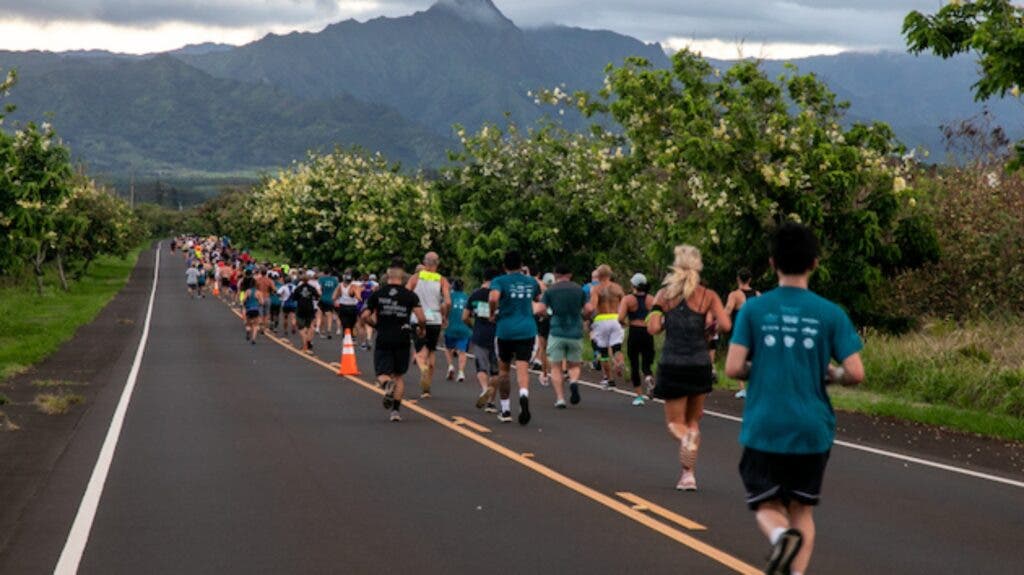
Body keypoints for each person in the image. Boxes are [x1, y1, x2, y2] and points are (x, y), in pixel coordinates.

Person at [725, 223, 864, 575]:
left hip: (765, 424)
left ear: (772, 263)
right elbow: (856, 372)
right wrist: (831, 374)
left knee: (766, 503)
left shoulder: (756, 311)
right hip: (812, 427)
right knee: (803, 510)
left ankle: (779, 536)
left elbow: (733, 367)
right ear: (814, 263)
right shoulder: (831, 313)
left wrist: (759, 367)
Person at [647, 245, 731, 492]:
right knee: (693, 421)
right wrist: (710, 325)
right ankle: (688, 476)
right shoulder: (708, 295)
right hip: (700, 364)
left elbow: (653, 329)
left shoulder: (664, 295)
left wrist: (659, 314)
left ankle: (686, 443)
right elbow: (725, 325)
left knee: (676, 423)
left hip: (673, 363)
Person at [361, 261, 427, 423]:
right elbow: (421, 318)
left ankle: (386, 385)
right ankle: (395, 411)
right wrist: (421, 329)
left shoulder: (378, 294)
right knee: (399, 375)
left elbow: (364, 315)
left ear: (388, 276)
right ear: (402, 277)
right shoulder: (410, 295)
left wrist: (375, 325)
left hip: (384, 336)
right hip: (403, 337)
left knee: (382, 374)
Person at [489, 251, 544, 425]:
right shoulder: (531, 282)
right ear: (521, 265)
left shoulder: (499, 281)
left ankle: (505, 410)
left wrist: (492, 312)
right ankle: (523, 396)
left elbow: (493, 297)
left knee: (504, 370)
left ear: (504, 266)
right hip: (527, 329)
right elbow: (540, 299)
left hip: (505, 330)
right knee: (523, 367)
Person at [541, 264, 587, 408]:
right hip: (575, 332)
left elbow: (542, 309)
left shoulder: (551, 290)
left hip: (557, 331)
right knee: (574, 365)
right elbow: (589, 308)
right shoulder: (579, 289)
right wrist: (584, 317)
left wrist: (546, 315)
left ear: (555, 275)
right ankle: (573, 382)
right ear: (570, 274)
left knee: (556, 366)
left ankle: (560, 398)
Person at [407, 252, 452, 399]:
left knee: (420, 352)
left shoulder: (416, 277)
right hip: (435, 318)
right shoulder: (442, 280)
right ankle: (427, 390)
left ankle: (423, 369)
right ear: (437, 263)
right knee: (431, 350)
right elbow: (448, 302)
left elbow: (406, 294)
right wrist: (445, 316)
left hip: (418, 317)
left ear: (424, 263)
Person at [464, 269, 500, 413]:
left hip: (479, 334)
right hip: (497, 335)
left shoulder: (475, 295)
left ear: (483, 279)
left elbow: (464, 317)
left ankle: (485, 389)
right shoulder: (499, 296)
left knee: (481, 367)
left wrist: (472, 327)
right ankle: (491, 403)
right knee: (496, 372)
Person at [619, 273, 656, 406]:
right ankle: (648, 377)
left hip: (634, 332)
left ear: (633, 285)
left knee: (634, 364)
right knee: (646, 363)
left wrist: (625, 325)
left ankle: (639, 396)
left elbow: (620, 317)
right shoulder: (652, 299)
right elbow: (658, 315)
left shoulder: (628, 299)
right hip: (647, 332)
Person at [724, 268, 761, 399]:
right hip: (755, 331)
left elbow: (727, 311)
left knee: (739, 359)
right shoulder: (757, 294)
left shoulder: (735, 295)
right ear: (750, 279)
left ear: (738, 279)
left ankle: (742, 389)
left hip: (740, 331)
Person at [589, 264, 626, 390]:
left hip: (602, 320)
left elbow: (593, 307)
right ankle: (619, 362)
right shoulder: (618, 288)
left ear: (598, 276)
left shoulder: (597, 289)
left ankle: (610, 380)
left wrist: (589, 319)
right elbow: (624, 303)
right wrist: (623, 318)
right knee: (617, 347)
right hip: (616, 318)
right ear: (610, 275)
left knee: (604, 352)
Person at [444, 279, 472, 383]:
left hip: (451, 326)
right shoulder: (467, 297)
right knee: (462, 351)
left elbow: (444, 306)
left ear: (453, 286)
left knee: (447, 348)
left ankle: (451, 366)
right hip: (464, 328)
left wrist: (445, 317)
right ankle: (461, 372)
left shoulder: (450, 296)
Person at [290, 270, 321, 354]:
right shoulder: (312, 288)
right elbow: (317, 296)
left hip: (300, 308)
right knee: (309, 326)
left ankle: (305, 346)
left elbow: (294, 298)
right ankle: (308, 341)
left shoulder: (298, 288)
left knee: (301, 328)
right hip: (310, 308)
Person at [533, 272, 555, 386]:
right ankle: (560, 372)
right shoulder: (557, 293)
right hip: (555, 320)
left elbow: (539, 308)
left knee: (543, 347)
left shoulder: (542, 293)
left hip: (544, 319)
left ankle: (545, 374)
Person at [334, 269, 361, 338]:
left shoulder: (340, 285)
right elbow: (358, 297)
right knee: (351, 324)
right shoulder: (355, 286)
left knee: (345, 324)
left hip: (343, 307)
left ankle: (346, 336)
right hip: (352, 307)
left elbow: (334, 297)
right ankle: (350, 336)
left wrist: (337, 300)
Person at [317, 269, 340, 339]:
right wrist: (336, 299)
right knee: (329, 315)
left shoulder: (321, 279)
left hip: (323, 299)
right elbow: (338, 290)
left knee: (321, 315)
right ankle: (329, 330)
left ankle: (322, 330)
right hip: (331, 299)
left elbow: (318, 289)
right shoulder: (335, 280)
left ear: (324, 273)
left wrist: (320, 295)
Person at [241, 281, 264, 345]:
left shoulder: (247, 291)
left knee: (248, 324)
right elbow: (262, 302)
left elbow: (244, 300)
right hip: (256, 309)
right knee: (255, 325)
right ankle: (253, 339)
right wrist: (258, 303)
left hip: (248, 309)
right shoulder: (259, 292)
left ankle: (248, 331)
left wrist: (244, 304)